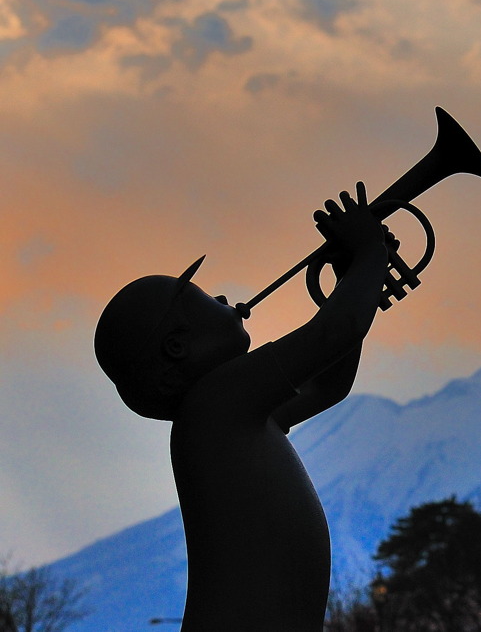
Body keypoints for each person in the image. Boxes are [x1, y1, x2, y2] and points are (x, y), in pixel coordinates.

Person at [94, 184, 391, 632]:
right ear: (178, 345)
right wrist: (369, 253)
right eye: (206, 299)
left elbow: (329, 384)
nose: (223, 300)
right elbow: (337, 331)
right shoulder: (216, 401)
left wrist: (355, 277)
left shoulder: (232, 416)